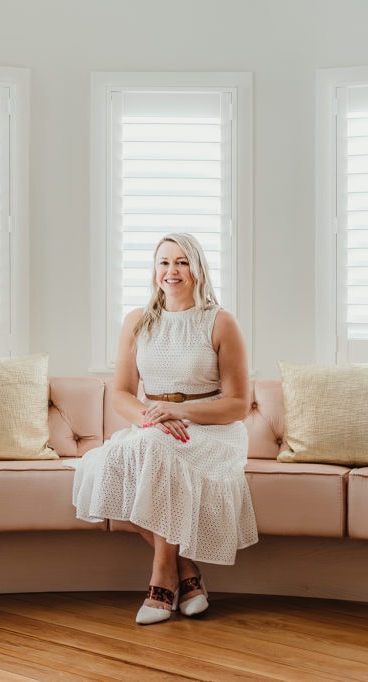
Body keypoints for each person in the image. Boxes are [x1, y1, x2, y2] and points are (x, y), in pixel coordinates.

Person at [68, 232, 258, 625]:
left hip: (210, 430)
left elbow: (238, 405)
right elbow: (121, 392)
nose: (172, 271)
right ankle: (186, 572)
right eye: (164, 263)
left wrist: (183, 414)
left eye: (182, 262)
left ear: (198, 269)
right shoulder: (137, 321)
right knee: (110, 466)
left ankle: (160, 580)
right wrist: (150, 418)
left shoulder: (221, 322)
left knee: (157, 453)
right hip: (154, 426)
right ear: (154, 271)